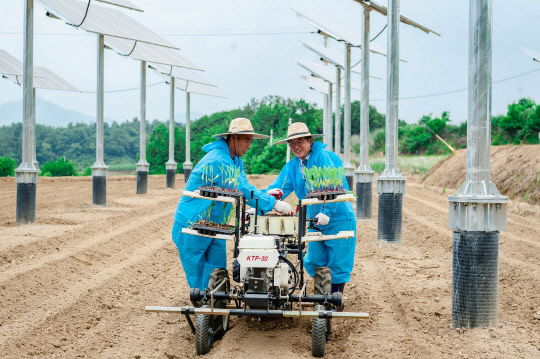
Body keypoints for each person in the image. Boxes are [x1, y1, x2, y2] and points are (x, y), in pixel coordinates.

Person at [172, 118, 293, 290]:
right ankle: (206, 312)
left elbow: (245, 187)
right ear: (233, 137)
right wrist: (273, 204)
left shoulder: (236, 161)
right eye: (246, 141)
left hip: (215, 223)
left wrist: (264, 196)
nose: (249, 146)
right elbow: (242, 188)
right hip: (192, 224)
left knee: (218, 270)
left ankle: (216, 308)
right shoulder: (217, 160)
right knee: (199, 280)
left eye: (251, 141)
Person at [264, 122, 356, 294]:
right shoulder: (293, 165)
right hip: (315, 219)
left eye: (300, 141)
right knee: (314, 260)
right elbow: (279, 187)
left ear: (310, 140)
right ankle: (323, 293)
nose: (296, 146)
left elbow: (332, 186)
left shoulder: (323, 157)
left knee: (337, 263)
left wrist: (326, 211)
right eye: (292, 143)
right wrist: (261, 204)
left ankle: (333, 300)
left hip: (338, 218)